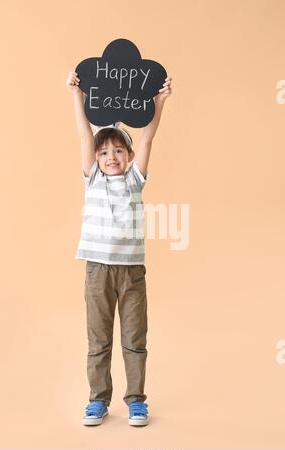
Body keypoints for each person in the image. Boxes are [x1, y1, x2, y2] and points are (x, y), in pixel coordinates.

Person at [66, 70, 172, 426]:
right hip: (97, 270)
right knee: (98, 340)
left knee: (134, 339)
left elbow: (148, 140)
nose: (111, 156)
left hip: (131, 273)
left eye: (118, 151)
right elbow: (84, 134)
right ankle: (98, 400)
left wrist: (158, 103)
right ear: (96, 158)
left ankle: (137, 400)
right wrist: (75, 96)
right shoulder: (92, 179)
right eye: (105, 151)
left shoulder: (134, 180)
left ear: (127, 155)